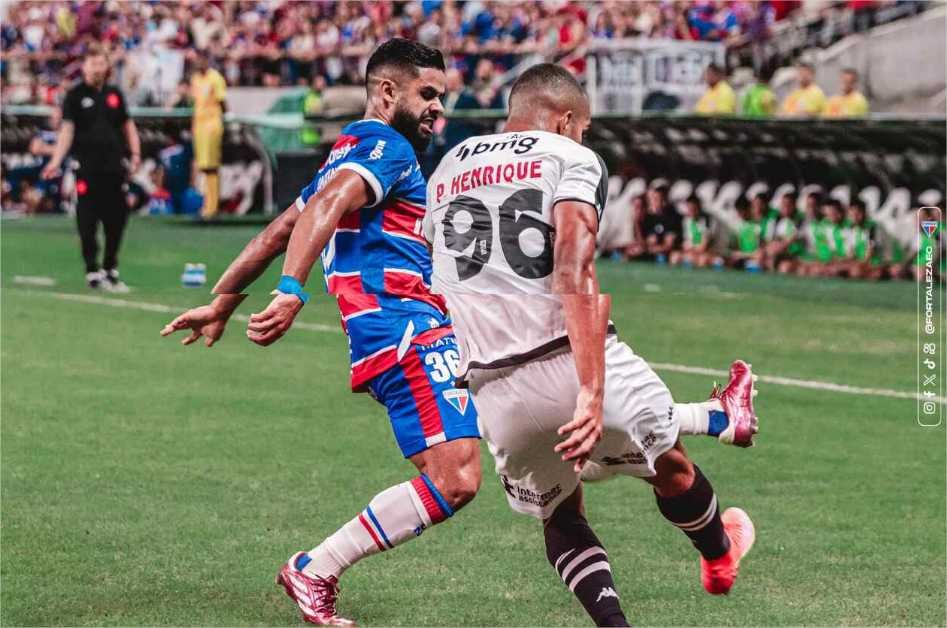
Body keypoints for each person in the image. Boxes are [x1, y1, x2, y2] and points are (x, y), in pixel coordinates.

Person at [161, 41, 758, 626]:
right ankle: (315, 568)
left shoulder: (398, 155)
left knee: (561, 478)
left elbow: (283, 225)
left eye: (441, 97)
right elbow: (323, 212)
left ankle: (715, 418)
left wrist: (224, 300)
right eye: (427, 95)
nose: (437, 110)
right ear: (386, 91)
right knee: (464, 478)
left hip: (444, 355)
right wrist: (290, 290)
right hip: (419, 333)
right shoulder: (388, 147)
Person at [425, 63, 757, 627]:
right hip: (566, 354)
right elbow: (573, 264)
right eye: (585, 128)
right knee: (670, 464)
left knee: (559, 511)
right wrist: (590, 389)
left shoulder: (449, 166)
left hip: (490, 384)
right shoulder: (571, 157)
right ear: (566, 118)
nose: (586, 138)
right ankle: (720, 558)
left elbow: (439, 278)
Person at [41, 44, 140, 292]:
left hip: (115, 167)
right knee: (87, 220)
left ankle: (110, 267)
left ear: (107, 66)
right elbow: (67, 131)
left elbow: (128, 126)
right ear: (84, 66)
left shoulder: (115, 94)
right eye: (93, 63)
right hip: (86, 168)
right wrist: (55, 160)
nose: (97, 68)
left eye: (101, 63)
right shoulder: (75, 96)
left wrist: (136, 153)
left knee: (117, 219)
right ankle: (92, 269)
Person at [190, 54, 227, 219]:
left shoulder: (215, 78)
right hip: (199, 126)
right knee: (203, 167)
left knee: (212, 166)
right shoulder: (195, 79)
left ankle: (212, 206)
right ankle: (207, 204)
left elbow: (222, 101)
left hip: (212, 126)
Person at [670, 195, 717, 267]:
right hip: (691, 252)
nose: (691, 211)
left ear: (699, 207)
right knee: (675, 256)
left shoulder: (708, 220)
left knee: (702, 259)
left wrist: (690, 246)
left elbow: (703, 246)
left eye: (694, 208)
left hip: (707, 253)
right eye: (689, 208)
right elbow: (684, 244)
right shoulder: (685, 221)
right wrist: (689, 247)